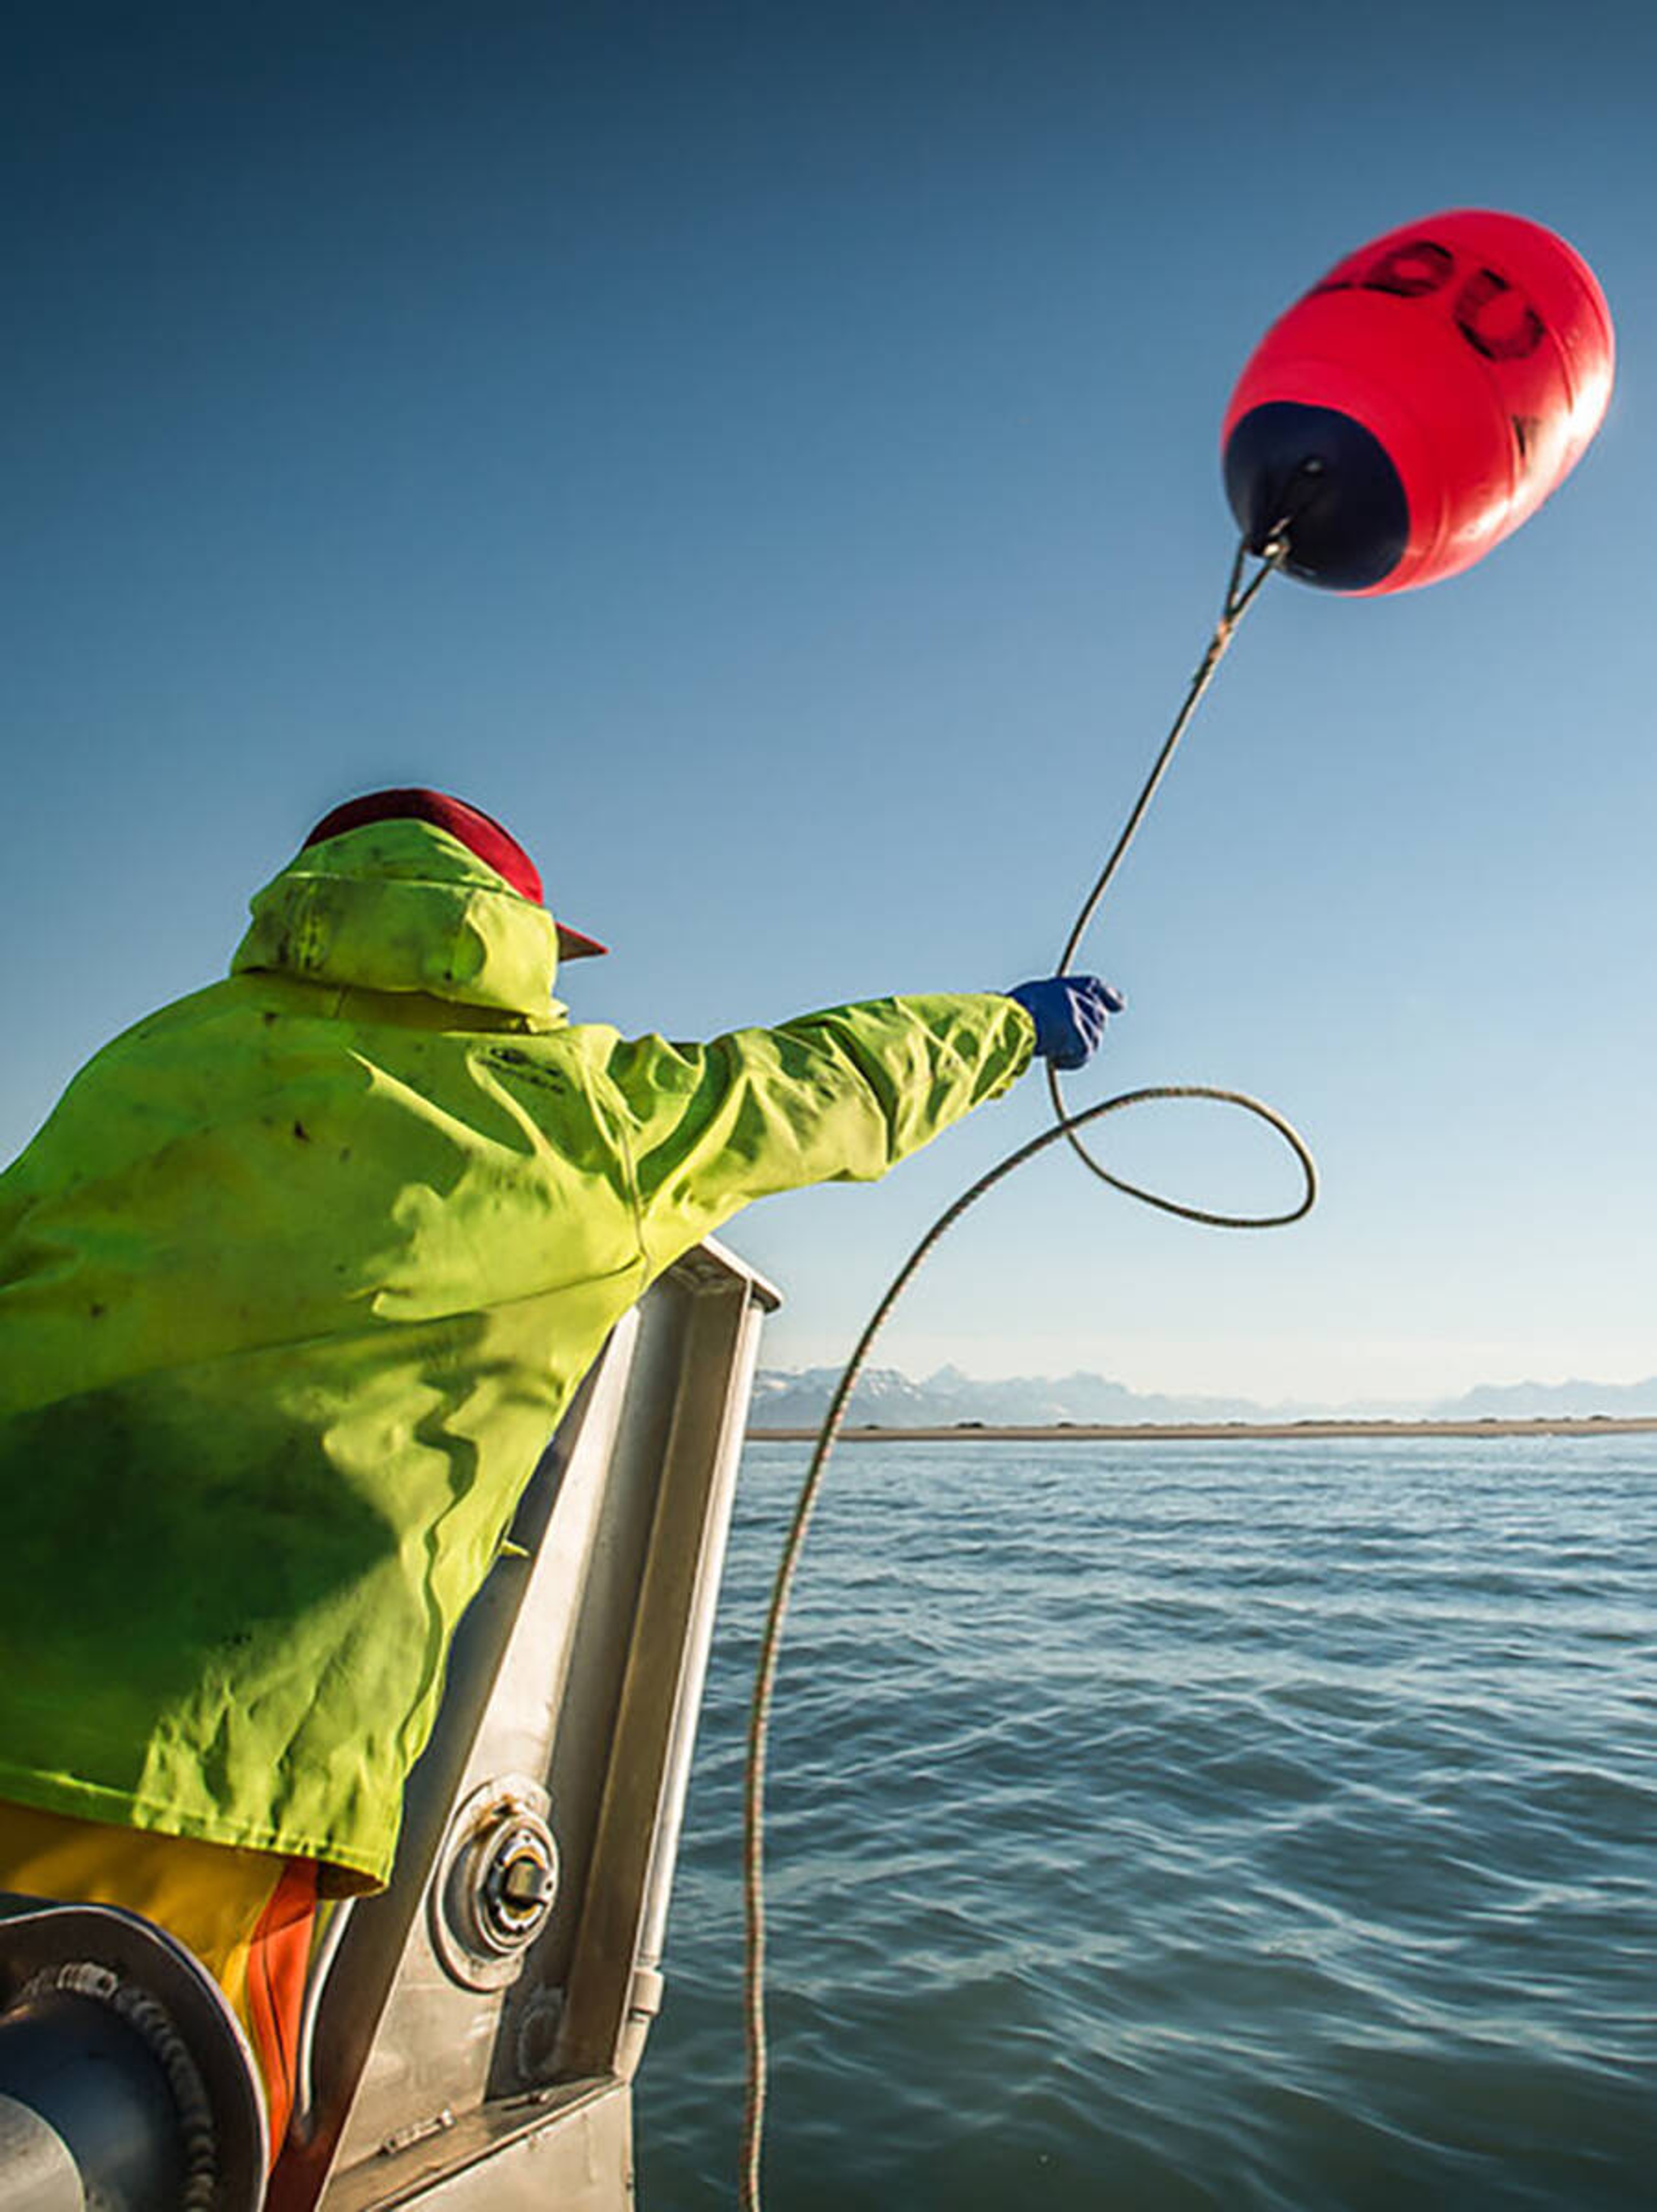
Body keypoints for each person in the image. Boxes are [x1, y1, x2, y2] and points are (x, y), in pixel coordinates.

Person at [0, 788, 1119, 2153]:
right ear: (517, 940)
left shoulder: (140, 1069)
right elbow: (826, 1083)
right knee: (162, 2130)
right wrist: (1009, 1029)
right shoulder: (590, 1118)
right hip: (203, 1770)